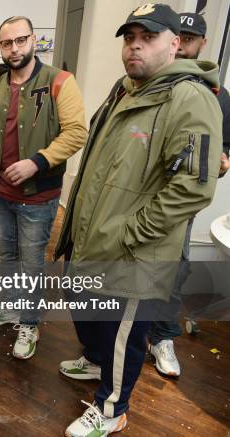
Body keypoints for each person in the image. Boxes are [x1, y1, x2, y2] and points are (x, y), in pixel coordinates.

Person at [54, 4, 222, 436]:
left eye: (147, 38)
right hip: (95, 237)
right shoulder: (124, 88)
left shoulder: (191, 99)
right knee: (91, 315)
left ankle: (112, 411)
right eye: (129, 38)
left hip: (135, 253)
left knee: (123, 336)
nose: (135, 47)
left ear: (174, 43)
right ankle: (95, 364)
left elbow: (193, 188)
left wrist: (131, 234)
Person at [0, 15, 87, 360]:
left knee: (32, 264)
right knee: (7, 257)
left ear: (34, 40)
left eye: (20, 40)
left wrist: (38, 161)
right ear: (0, 46)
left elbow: (77, 131)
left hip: (39, 198)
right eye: (6, 43)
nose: (14, 48)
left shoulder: (60, 81)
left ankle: (29, 323)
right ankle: (13, 308)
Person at [146, 11, 230, 378]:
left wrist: (222, 160)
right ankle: (114, 338)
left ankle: (162, 336)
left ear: (200, 44)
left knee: (173, 270)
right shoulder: (148, 84)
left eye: (190, 40)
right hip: (138, 195)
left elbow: (223, 152)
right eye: (177, 38)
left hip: (178, 205)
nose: (182, 47)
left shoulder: (217, 96)